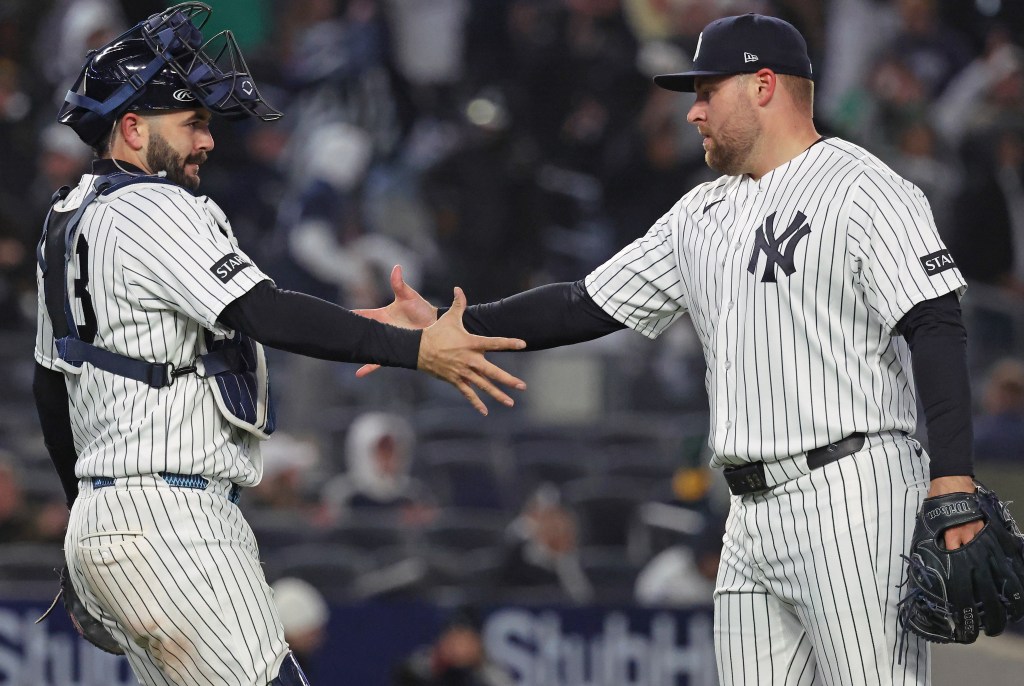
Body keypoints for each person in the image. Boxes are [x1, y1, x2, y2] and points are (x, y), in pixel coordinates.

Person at [358, 13, 985, 685]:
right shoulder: (701, 212)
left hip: (853, 488)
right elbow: (583, 303)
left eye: (707, 91)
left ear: (764, 85)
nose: (692, 113)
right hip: (745, 510)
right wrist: (450, 324)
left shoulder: (863, 187)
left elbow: (936, 323)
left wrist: (952, 476)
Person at [32, 4, 526, 685]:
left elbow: (50, 385)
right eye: (193, 122)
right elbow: (263, 311)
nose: (207, 141)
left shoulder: (68, 217)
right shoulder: (156, 204)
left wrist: (78, 521)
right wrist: (410, 349)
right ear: (132, 127)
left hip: (111, 514)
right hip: (172, 519)